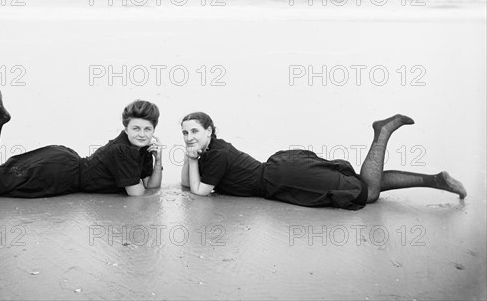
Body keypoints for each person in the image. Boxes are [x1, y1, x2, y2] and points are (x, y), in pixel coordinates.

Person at [0, 87, 163, 197]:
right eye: (136, 128)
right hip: (58, 174)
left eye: (147, 129)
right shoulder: (125, 152)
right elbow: (138, 194)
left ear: (154, 130)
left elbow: (151, 184)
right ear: (124, 128)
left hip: (62, 160)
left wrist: (158, 159)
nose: (141, 133)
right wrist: (141, 178)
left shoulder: (140, 149)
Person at [180, 112, 466, 210]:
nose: (189, 136)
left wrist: (192, 160)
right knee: (363, 185)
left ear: (209, 130)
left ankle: (383, 132)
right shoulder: (210, 149)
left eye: (194, 131)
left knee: (368, 193)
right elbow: (184, 184)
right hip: (281, 172)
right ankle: (434, 180)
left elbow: (199, 192)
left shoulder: (215, 153)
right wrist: (189, 155)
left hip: (283, 179)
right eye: (184, 133)